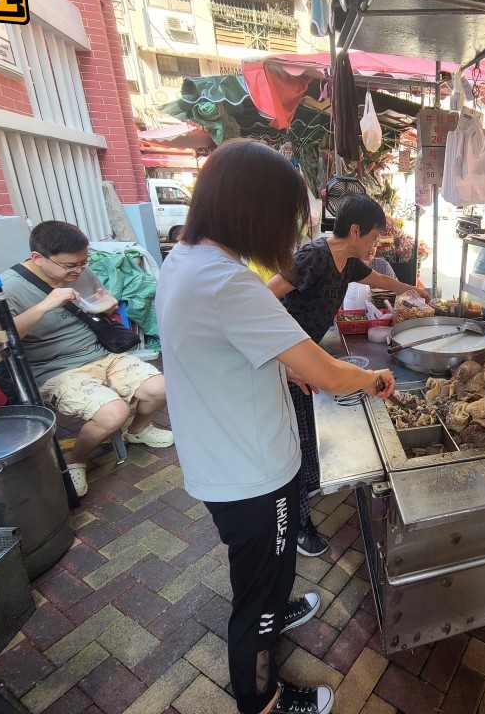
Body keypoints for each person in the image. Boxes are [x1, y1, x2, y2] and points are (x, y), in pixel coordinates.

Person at [157, 139, 395, 714]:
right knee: (257, 593)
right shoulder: (227, 282)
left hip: (225, 456)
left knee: (265, 566)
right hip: (252, 471)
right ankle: (261, 699)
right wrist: (370, 379)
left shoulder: (186, 261)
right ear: (254, 210)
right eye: (286, 217)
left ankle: (274, 604)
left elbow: (230, 353)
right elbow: (332, 375)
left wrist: (291, 373)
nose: (291, 234)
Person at [266, 196, 429, 557]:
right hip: (289, 359)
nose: (376, 244)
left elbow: (379, 278)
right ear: (354, 230)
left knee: (309, 430)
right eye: (373, 237)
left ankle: (309, 483)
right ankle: (298, 526)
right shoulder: (313, 257)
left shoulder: (349, 262)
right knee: (297, 439)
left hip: (307, 355)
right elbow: (265, 297)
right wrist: (284, 361)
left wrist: (411, 289)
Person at [0, 222, 172, 497]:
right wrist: (45, 306)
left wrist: (107, 305)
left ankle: (138, 430)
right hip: (55, 368)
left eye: (84, 262)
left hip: (103, 355)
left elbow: (95, 307)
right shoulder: (8, 288)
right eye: (70, 266)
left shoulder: (83, 272)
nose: (79, 271)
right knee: (113, 412)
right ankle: (76, 459)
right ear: (37, 258)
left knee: (162, 386)